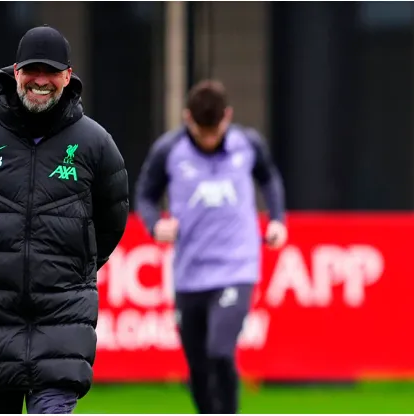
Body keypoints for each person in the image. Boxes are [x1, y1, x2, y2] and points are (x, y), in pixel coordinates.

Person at [0, 25, 129, 414]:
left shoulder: (95, 143)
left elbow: (112, 220)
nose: (40, 80)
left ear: (67, 76)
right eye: (32, 70)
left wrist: (76, 265)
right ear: (15, 71)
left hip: (61, 318)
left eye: (51, 71)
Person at [135, 79, 287, 414]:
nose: (208, 139)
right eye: (201, 131)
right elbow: (145, 196)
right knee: (198, 369)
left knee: (220, 350)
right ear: (188, 118)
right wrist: (155, 225)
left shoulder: (247, 144)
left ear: (227, 117)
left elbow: (269, 178)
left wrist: (277, 220)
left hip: (236, 266)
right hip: (190, 272)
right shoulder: (168, 150)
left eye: (214, 131)